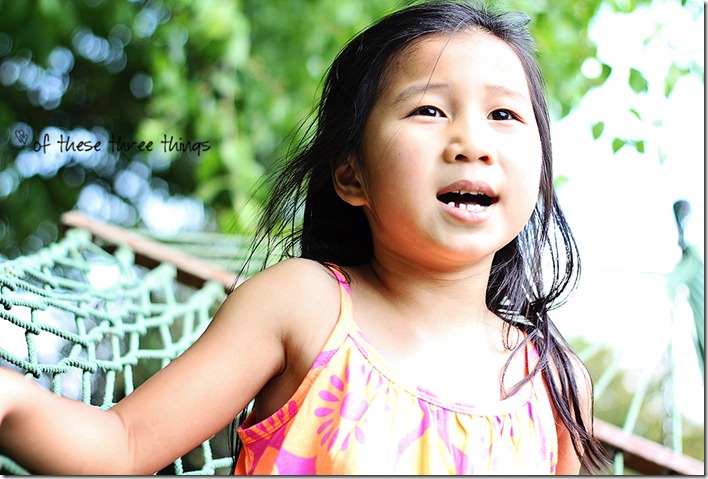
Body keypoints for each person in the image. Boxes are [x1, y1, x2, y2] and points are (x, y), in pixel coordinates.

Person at [0, 0, 609, 474]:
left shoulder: (555, 385)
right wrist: (14, 401)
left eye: (504, 115)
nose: (471, 143)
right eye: (428, 110)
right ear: (352, 176)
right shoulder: (305, 306)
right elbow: (123, 444)